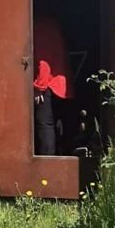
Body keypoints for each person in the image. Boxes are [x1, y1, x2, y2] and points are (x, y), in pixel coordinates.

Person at [33, 14, 73, 155]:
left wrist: (39, 87)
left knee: (45, 125)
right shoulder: (53, 26)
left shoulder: (40, 27)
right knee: (58, 124)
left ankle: (47, 161)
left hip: (49, 85)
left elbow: (44, 61)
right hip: (62, 84)